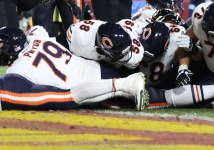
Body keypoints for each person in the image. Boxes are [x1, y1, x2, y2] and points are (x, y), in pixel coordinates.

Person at [0, 26, 148, 111]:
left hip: (91, 89)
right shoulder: (37, 36)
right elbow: (36, 29)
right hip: (100, 69)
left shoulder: (17, 70)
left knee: (66, 96)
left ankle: (126, 84)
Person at [66, 20, 144, 70]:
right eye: (119, 56)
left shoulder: (118, 31)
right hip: (72, 42)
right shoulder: (83, 46)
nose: (123, 57)